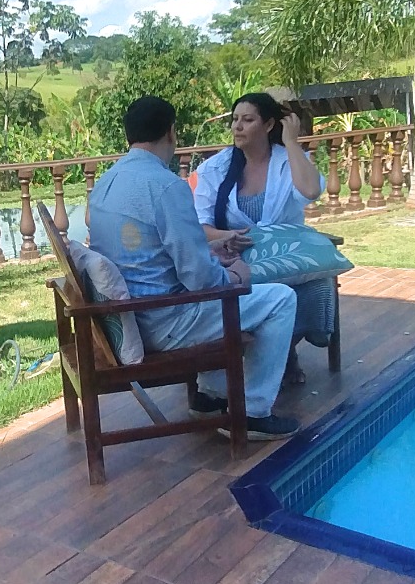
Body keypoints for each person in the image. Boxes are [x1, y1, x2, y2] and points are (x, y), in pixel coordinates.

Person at [88, 95, 299, 439]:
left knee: (222, 299)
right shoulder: (166, 186)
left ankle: (209, 397)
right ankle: (253, 411)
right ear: (171, 132)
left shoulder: (106, 183)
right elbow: (200, 279)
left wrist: (211, 248)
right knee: (280, 299)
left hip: (131, 317)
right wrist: (234, 276)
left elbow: (148, 251)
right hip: (164, 322)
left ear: (129, 134)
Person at [193, 91, 331, 383]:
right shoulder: (215, 168)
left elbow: (310, 191)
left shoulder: (289, 161)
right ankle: (269, 359)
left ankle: (284, 350)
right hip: (236, 258)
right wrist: (227, 235)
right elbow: (199, 226)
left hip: (285, 258)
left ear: (268, 125)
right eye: (235, 119)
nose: (237, 126)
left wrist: (291, 142)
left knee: (318, 284)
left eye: (247, 120)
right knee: (245, 287)